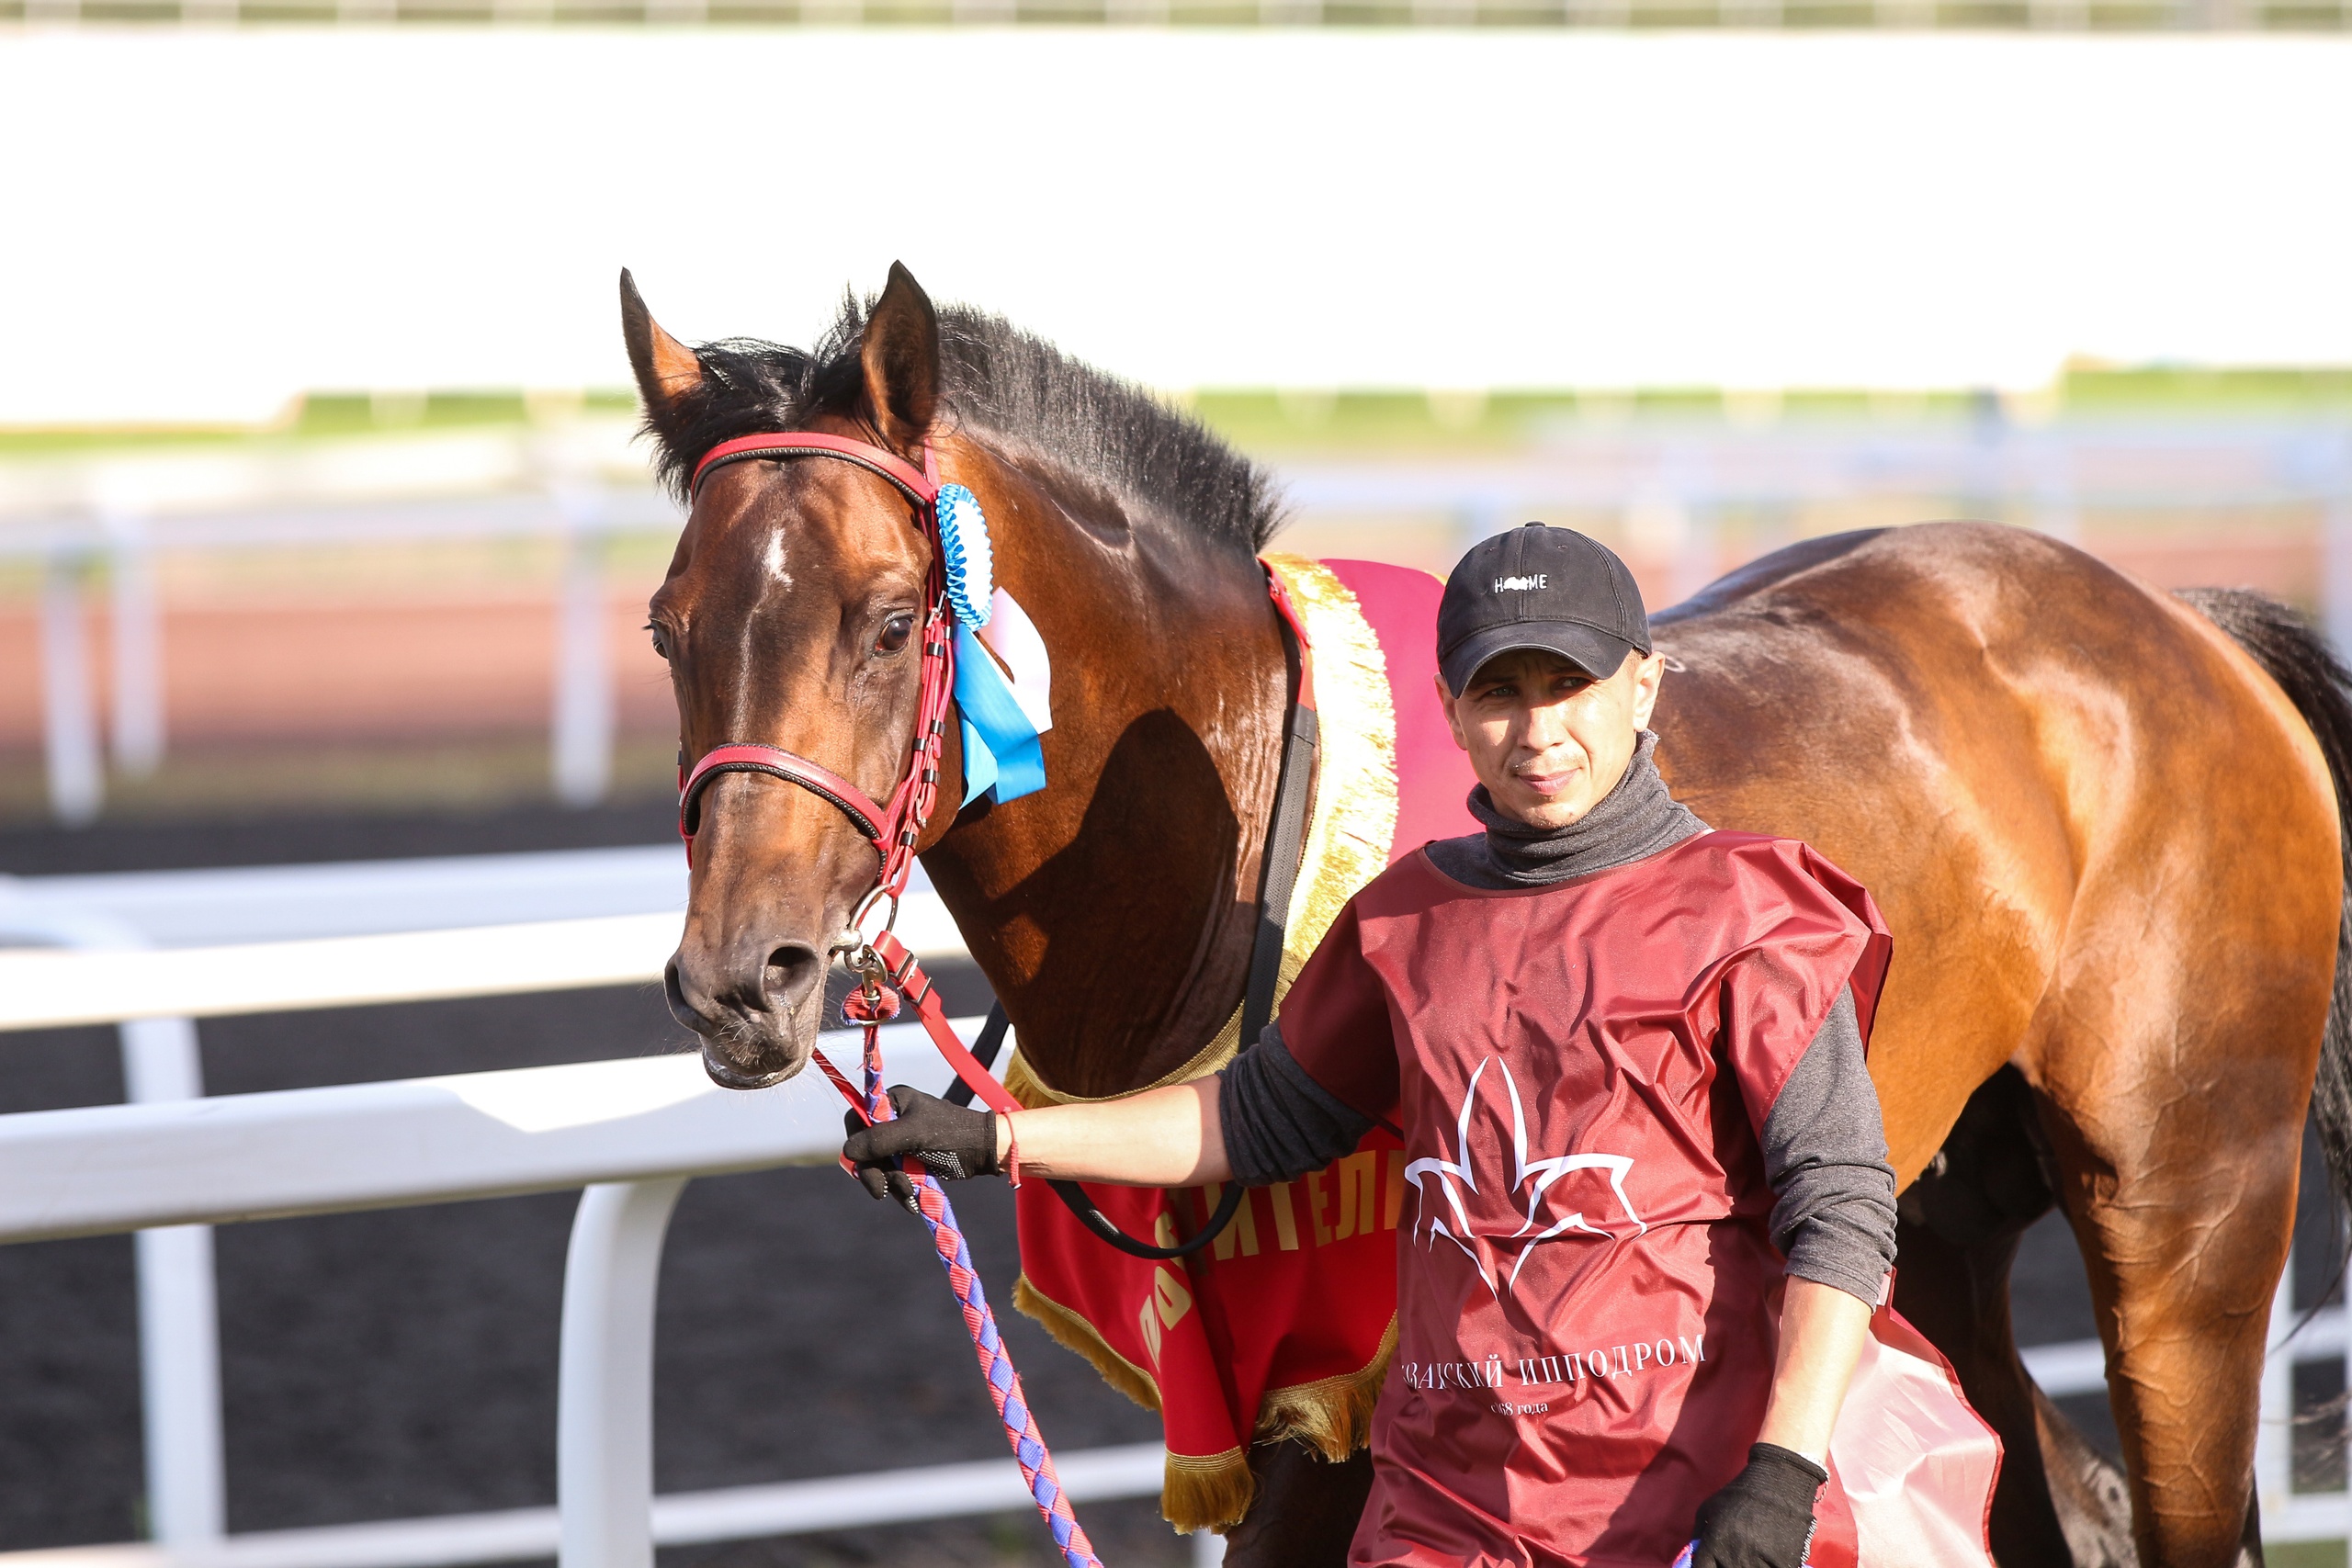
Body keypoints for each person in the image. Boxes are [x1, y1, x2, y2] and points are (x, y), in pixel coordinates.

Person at [847, 525, 1905, 1568]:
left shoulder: (1754, 912)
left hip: (1681, 1510)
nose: (1537, 732)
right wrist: (998, 1140)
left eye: (1568, 684)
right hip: (1440, 1516)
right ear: (1449, 709)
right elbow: (1259, 1119)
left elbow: (1843, 1207)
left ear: (1643, 686)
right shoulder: (1402, 918)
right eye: (1500, 693)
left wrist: (1782, 1474)